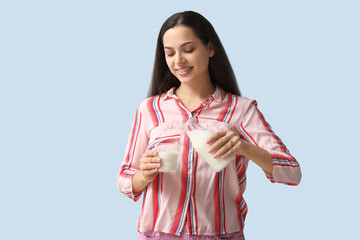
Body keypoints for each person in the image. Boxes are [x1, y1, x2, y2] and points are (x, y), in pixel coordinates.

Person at [117, 10, 301, 240]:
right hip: (158, 234)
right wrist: (143, 175)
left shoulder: (240, 109)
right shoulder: (150, 109)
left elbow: (293, 172)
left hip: (220, 234)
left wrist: (244, 147)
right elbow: (125, 178)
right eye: (170, 53)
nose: (178, 61)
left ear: (210, 48)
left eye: (188, 50)